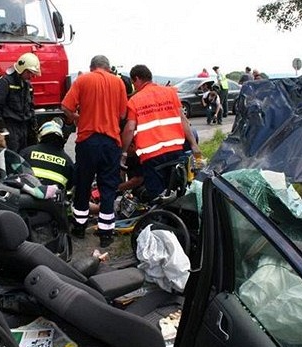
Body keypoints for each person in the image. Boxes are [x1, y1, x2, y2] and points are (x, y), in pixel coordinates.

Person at [61, 55, 128, 248]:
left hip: (87, 141)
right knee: (107, 187)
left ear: (92, 67)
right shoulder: (118, 82)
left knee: (83, 184)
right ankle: (106, 234)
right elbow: (122, 114)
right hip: (111, 142)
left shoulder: (83, 79)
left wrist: (77, 117)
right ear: (107, 67)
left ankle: (79, 228)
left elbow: (65, 106)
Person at [121, 64, 200, 201]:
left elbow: (129, 128)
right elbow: (183, 120)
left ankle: (161, 219)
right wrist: (193, 144)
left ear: (137, 79)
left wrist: (123, 152)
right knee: (176, 192)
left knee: (158, 197)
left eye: (134, 83)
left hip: (152, 157)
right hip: (175, 152)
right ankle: (177, 218)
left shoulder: (135, 100)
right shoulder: (170, 93)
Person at [0, 52, 41, 152]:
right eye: (29, 73)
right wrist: (2, 128)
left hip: (25, 127)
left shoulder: (28, 86)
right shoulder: (5, 82)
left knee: (25, 155)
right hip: (11, 127)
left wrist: (34, 125)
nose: (31, 76)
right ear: (22, 69)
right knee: (13, 157)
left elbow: (30, 107)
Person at [19, 119, 74, 191]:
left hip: (27, 196)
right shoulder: (67, 161)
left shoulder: (26, 152)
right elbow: (70, 186)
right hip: (53, 199)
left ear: (40, 135)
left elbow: (15, 174)